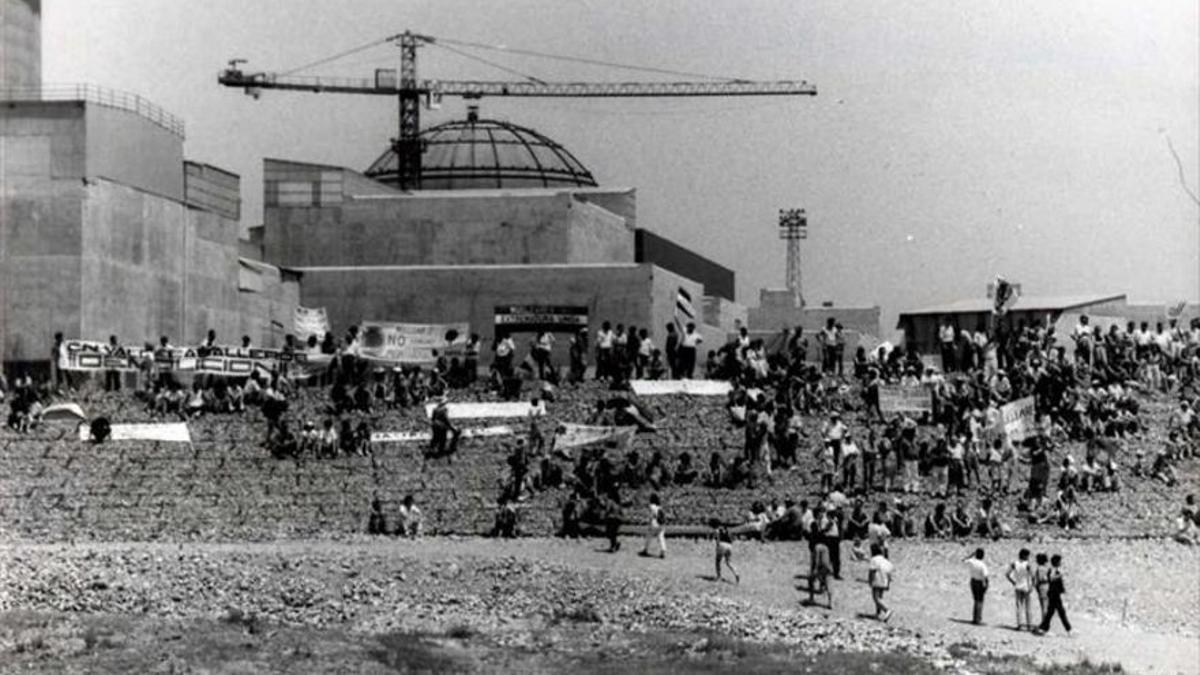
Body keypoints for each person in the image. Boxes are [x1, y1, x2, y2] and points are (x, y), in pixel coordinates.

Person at [1036, 554, 1072, 635]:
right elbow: (1050, 579)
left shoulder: (1055, 570)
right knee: (1060, 612)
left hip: (1055, 593)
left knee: (1051, 612)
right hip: (1053, 593)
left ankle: (1043, 628)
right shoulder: (1052, 570)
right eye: (1060, 561)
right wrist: (1060, 575)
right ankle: (1068, 629)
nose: (1061, 563)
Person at [1006, 548, 1035, 631]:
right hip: (1026, 587)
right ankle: (1029, 624)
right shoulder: (1028, 565)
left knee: (1019, 606)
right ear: (1025, 555)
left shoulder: (1014, 563)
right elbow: (1032, 576)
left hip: (1018, 586)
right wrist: (1032, 586)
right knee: (1028, 607)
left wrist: (1013, 582)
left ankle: (1019, 624)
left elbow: (1007, 574)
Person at [867, 542, 893, 622]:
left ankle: (887, 610)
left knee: (876, 598)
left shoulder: (874, 560)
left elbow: (872, 571)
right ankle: (878, 613)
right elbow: (889, 574)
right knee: (880, 597)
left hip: (877, 579)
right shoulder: (886, 561)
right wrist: (888, 583)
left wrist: (870, 580)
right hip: (884, 580)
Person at [964, 547, 989, 625]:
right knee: (980, 601)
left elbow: (964, 560)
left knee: (975, 600)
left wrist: (972, 554)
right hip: (980, 582)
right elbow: (985, 576)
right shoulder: (982, 565)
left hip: (973, 581)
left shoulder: (972, 562)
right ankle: (978, 619)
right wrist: (986, 585)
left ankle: (974, 618)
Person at [710, 519, 740, 584]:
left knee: (718, 561)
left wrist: (717, 547)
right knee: (729, 562)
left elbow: (717, 539)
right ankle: (736, 573)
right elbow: (732, 538)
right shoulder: (726, 529)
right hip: (729, 545)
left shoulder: (716, 530)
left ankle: (719, 576)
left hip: (722, 545)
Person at [641, 493, 667, 559]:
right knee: (661, 537)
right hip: (661, 524)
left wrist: (648, 523)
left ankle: (645, 549)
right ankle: (663, 550)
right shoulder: (660, 507)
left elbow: (651, 516)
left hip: (654, 523)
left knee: (649, 537)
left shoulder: (651, 506)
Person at [1033, 552, 1051, 626]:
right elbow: (1042, 578)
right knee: (1045, 606)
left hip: (1042, 588)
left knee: (1044, 606)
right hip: (1045, 587)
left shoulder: (1039, 568)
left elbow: (1037, 579)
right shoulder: (1044, 569)